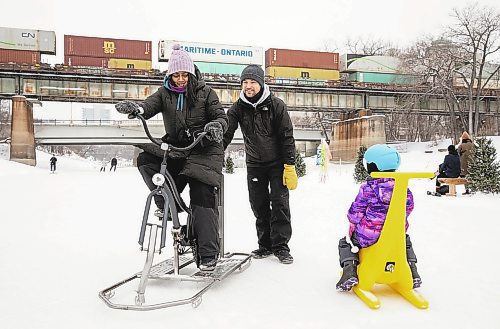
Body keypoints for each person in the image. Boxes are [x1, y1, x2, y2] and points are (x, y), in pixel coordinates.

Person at [115, 44, 227, 272]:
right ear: (170, 75)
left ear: (191, 73)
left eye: (184, 74)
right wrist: (138, 109)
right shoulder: (164, 93)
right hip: (176, 149)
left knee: (201, 192)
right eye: (176, 75)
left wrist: (215, 126)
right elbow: (150, 105)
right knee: (147, 160)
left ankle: (208, 253)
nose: (180, 79)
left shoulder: (206, 93)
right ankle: (168, 205)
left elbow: (220, 116)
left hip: (203, 149)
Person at [223, 64, 297, 265]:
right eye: (245, 82)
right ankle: (265, 245)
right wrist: (214, 152)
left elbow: (287, 137)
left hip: (277, 164)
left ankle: (281, 246)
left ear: (261, 84)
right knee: (259, 205)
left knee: (280, 204)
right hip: (255, 164)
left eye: (252, 82)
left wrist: (290, 165)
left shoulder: (276, 105)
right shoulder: (238, 108)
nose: (248, 86)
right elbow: (226, 134)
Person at [336, 144, 422, 292]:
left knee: (345, 243)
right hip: (395, 235)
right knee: (406, 242)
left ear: (372, 166)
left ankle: (349, 271)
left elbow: (356, 212)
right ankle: (412, 271)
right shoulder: (403, 188)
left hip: (369, 235)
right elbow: (409, 208)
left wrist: (352, 222)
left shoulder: (368, 188)